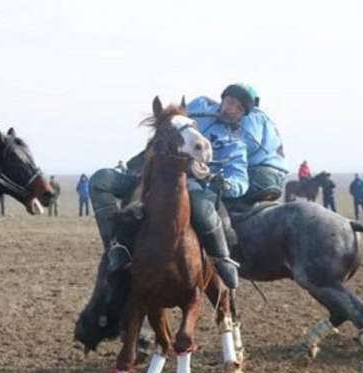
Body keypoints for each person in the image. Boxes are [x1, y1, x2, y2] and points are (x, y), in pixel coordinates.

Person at [91, 83, 258, 289]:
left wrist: (220, 181)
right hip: (150, 173)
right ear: (222, 99)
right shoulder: (196, 110)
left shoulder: (236, 144)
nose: (231, 109)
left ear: (242, 115)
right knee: (100, 181)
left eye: (239, 108)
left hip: (191, 186)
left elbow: (241, 181)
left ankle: (222, 260)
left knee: (204, 213)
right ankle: (115, 249)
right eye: (230, 101)